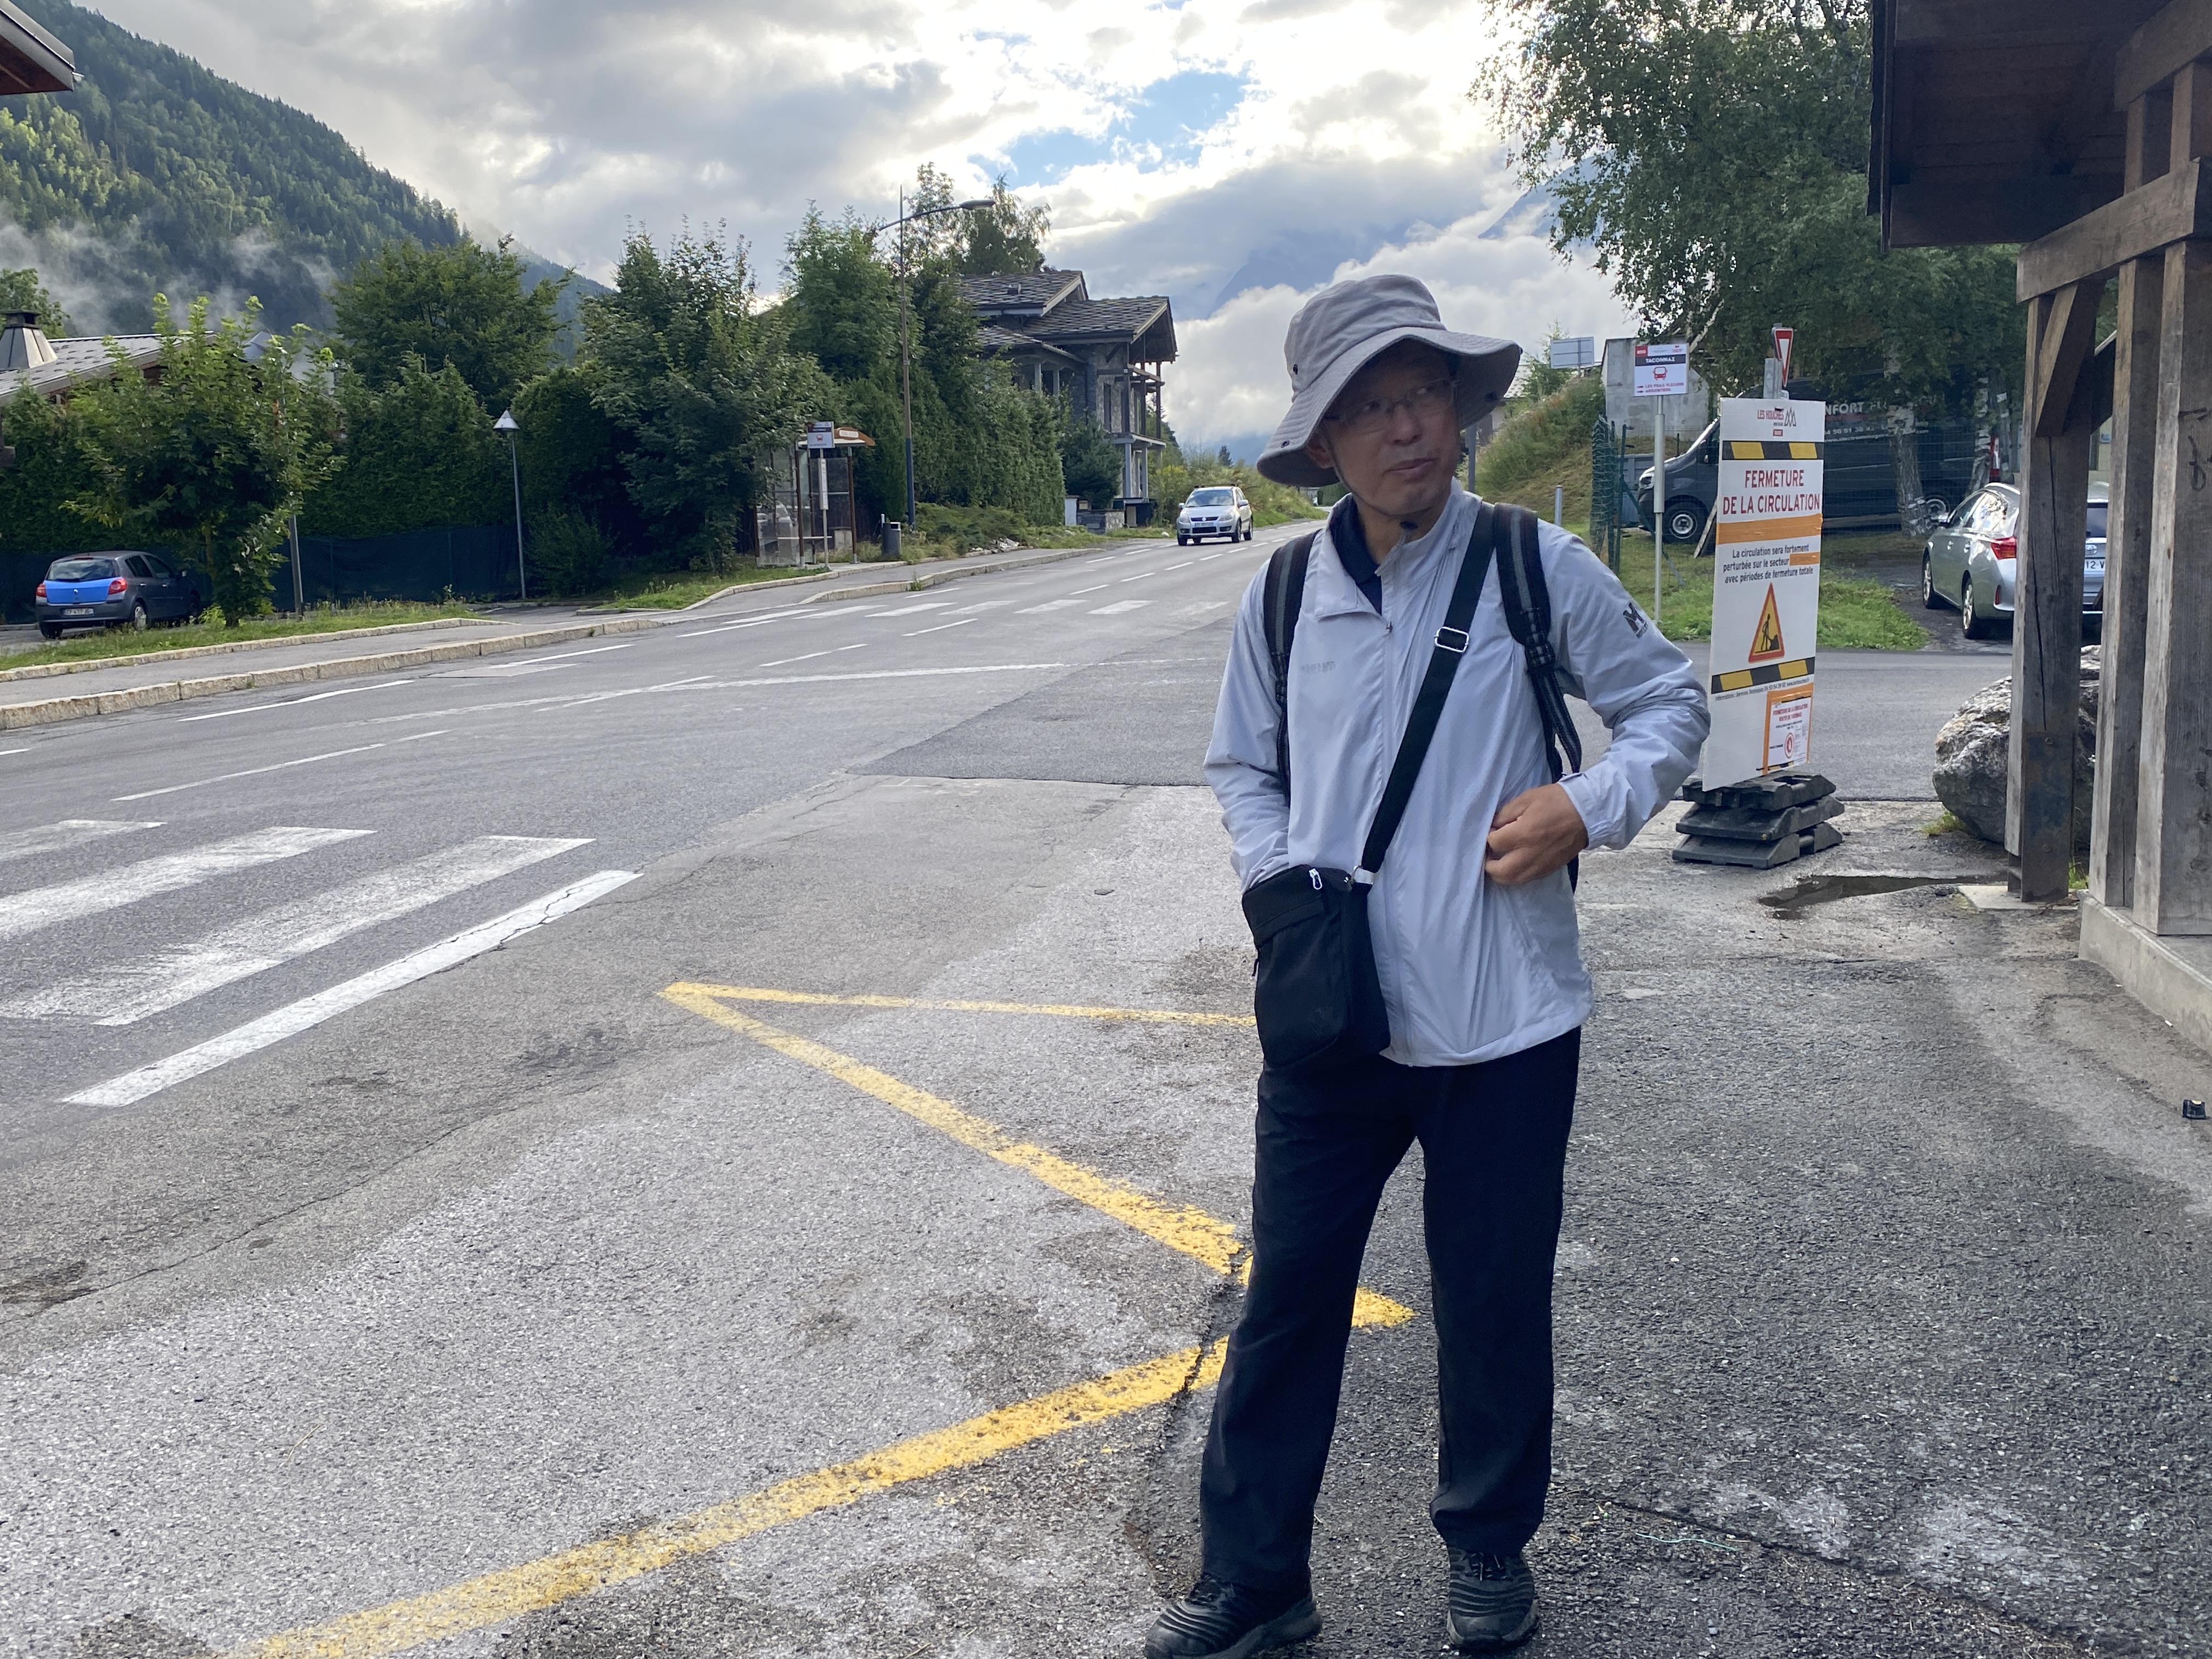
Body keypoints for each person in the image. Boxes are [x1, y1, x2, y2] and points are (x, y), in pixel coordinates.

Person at [1146, 275, 1708, 1657]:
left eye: (1424, 396)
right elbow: (1242, 766)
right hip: (1333, 1020)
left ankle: (1489, 1552)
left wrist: (1591, 804)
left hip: (1506, 1018)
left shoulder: (1532, 565)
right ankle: (1257, 1584)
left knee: (1494, 1302)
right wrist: (1280, 886)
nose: (1406, 428)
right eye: (1370, 408)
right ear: (1324, 442)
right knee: (1287, 1301)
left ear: (1458, 411)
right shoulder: (1287, 592)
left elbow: (1668, 701)